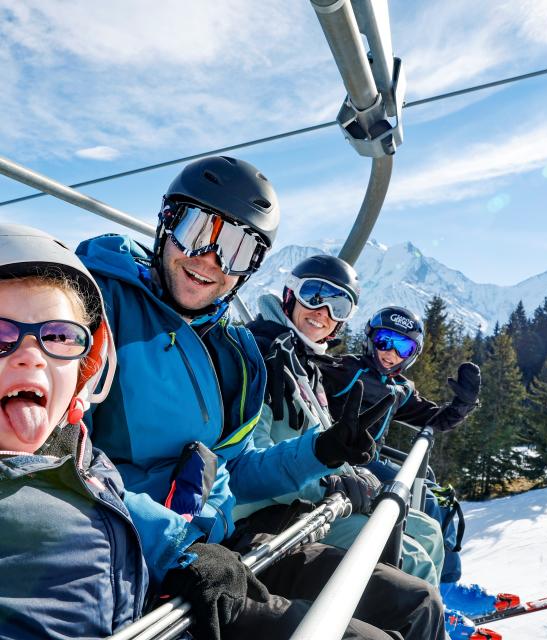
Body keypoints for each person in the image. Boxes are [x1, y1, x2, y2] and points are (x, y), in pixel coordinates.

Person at [77, 156, 446, 640]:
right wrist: (177, 547)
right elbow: (61, 460)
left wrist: (321, 452)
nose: (211, 258)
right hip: (140, 559)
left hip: (226, 545)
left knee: (416, 605)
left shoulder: (236, 351)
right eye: (196, 229)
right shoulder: (99, 308)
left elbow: (239, 469)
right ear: (166, 222)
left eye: (237, 247)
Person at [241, 255, 447, 590]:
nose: (323, 312)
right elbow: (252, 460)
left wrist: (352, 476)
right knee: (413, 560)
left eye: (339, 304)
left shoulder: (304, 362)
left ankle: (433, 609)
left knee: (428, 530)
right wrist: (332, 485)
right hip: (282, 508)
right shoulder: (267, 356)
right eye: (314, 294)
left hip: (319, 490)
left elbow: (428, 415)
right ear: (291, 294)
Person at [317, 306, 518, 627]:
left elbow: (435, 419)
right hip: (338, 462)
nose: (390, 353)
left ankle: (446, 586)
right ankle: (424, 599)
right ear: (370, 339)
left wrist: (464, 404)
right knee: (402, 504)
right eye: (385, 341)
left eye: (403, 348)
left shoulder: (400, 388)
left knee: (438, 501)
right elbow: (311, 365)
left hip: (371, 462)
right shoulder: (345, 370)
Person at [0, 223, 148, 638]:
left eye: (60, 336)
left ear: (86, 369)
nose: (31, 357)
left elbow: (118, 510)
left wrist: (181, 553)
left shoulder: (81, 459)